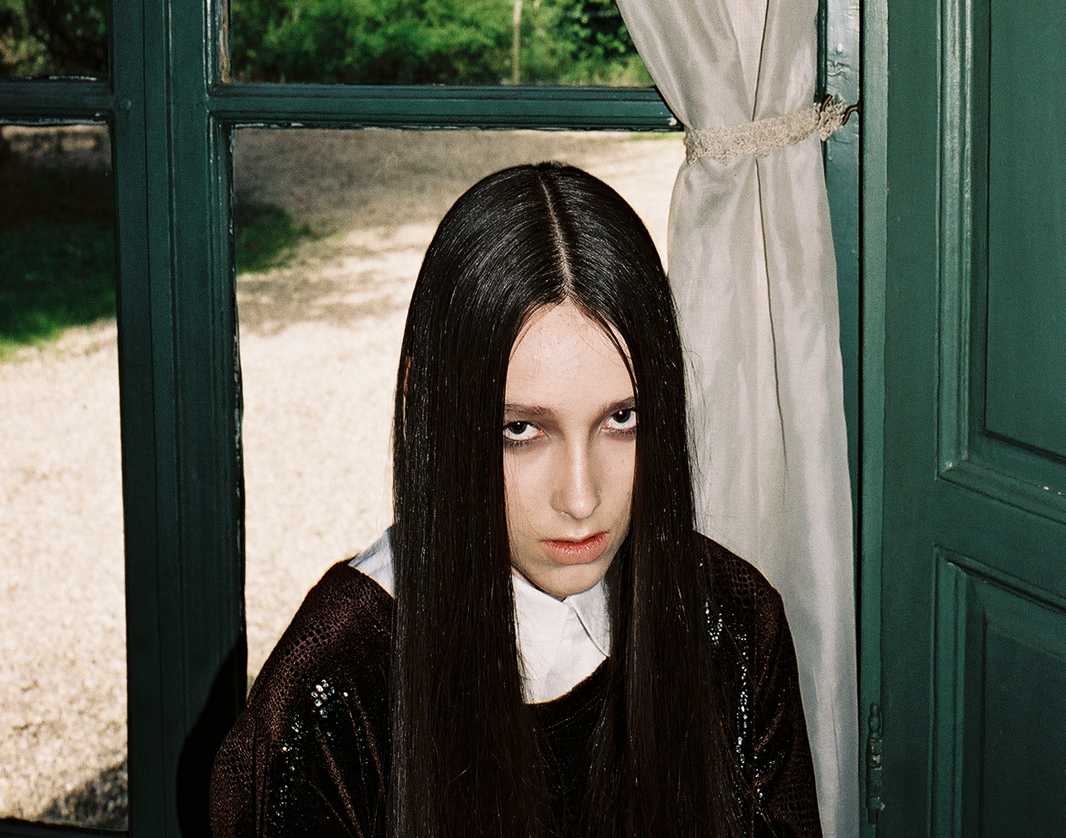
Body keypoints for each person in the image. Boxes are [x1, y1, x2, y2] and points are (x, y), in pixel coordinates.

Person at [210, 162, 821, 838]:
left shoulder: (734, 623)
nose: (582, 499)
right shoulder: (333, 689)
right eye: (522, 430)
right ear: (425, 401)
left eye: (622, 419)